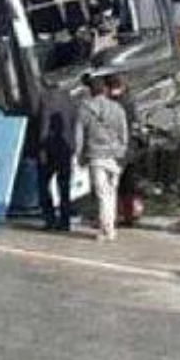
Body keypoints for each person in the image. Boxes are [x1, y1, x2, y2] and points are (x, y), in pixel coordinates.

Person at [75, 75, 128, 242]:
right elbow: (123, 133)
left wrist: (79, 156)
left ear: (90, 91)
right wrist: (122, 152)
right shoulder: (117, 108)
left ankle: (106, 229)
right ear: (105, 90)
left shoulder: (85, 108)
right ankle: (110, 227)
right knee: (111, 192)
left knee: (102, 193)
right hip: (115, 156)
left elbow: (79, 135)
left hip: (96, 155)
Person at [36, 79, 78, 231]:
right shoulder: (70, 100)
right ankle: (65, 220)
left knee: (43, 184)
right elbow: (74, 124)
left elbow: (43, 126)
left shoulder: (46, 99)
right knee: (64, 186)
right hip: (66, 149)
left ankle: (50, 218)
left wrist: (40, 148)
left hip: (49, 150)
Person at [108, 76, 142, 227]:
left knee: (112, 185)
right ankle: (129, 215)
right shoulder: (130, 102)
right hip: (131, 149)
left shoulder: (116, 104)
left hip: (118, 149)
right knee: (128, 185)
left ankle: (112, 216)